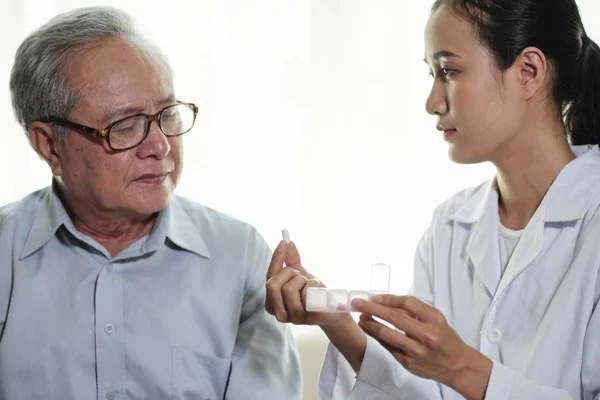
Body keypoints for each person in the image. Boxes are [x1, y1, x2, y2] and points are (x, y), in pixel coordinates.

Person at [266, 0, 600, 398]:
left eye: (449, 71)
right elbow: (424, 390)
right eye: (432, 74)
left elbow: (453, 373)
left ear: (528, 72)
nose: (432, 102)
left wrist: (461, 366)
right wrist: (333, 321)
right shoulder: (451, 224)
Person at [0, 6, 301, 400]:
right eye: (125, 127)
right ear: (49, 145)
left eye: (167, 115)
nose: (159, 146)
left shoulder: (238, 256)